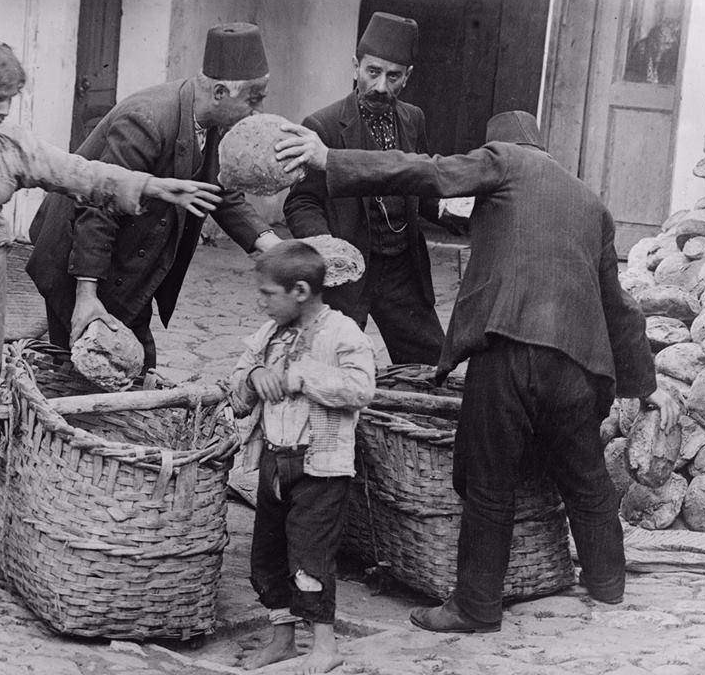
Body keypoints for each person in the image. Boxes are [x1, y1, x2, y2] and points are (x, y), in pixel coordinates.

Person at [274, 110, 680, 632]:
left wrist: (330, 159)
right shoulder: (590, 203)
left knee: (487, 479)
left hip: (509, 345)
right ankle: (607, 584)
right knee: (585, 477)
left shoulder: (503, 161)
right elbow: (618, 304)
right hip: (579, 364)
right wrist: (645, 387)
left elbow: (427, 172)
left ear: (499, 149)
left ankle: (475, 606)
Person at [0, 37, 221, 570]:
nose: (2, 109)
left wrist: (150, 184)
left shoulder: (8, 144)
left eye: (10, 97)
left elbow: (80, 172)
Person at [27, 22, 282, 373]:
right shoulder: (147, 120)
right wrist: (87, 298)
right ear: (221, 92)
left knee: (135, 366)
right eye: (253, 100)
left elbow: (221, 194)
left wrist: (275, 248)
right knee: (80, 370)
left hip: (132, 264)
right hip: (76, 262)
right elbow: (98, 211)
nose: (258, 112)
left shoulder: (213, 122)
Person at [228, 241, 375, 673]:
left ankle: (325, 645)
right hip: (275, 461)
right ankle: (283, 639)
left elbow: (360, 388)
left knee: (310, 555)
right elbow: (237, 381)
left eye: (268, 294)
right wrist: (255, 375)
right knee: (268, 556)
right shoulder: (269, 335)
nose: (261, 303)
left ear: (300, 290)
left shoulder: (342, 333)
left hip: (322, 468)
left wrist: (300, 377)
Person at [283, 12, 448, 365]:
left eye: (394, 76)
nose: (381, 86)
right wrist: (326, 248)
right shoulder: (322, 126)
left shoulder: (414, 119)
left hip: (403, 270)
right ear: (356, 66)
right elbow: (301, 203)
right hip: (348, 274)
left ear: (408, 76)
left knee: (431, 366)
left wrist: (457, 209)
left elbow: (422, 190)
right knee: (332, 364)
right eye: (373, 72)